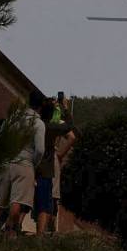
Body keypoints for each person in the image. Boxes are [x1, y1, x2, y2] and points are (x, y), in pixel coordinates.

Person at [0, 91, 45, 239]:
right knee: (18, 202)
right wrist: (33, 163)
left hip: (7, 163)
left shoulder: (12, 119)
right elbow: (40, 150)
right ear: (41, 106)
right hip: (25, 164)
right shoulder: (38, 123)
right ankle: (9, 235)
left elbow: (1, 139)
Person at [33, 99, 75, 235]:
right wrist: (60, 155)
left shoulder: (37, 123)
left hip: (32, 161)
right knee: (49, 198)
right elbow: (71, 135)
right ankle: (46, 231)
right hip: (49, 162)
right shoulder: (54, 125)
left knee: (31, 198)